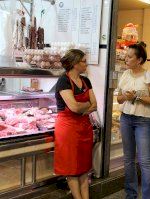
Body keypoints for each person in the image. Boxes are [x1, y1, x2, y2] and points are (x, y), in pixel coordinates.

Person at [117, 42, 150, 199]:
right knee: (128, 159)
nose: (126, 59)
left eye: (129, 56)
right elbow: (119, 99)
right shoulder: (125, 74)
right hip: (126, 119)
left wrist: (137, 97)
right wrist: (126, 97)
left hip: (143, 121)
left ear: (139, 59)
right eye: (126, 56)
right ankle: (131, 194)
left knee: (145, 161)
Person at [54, 49, 97, 199]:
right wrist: (86, 105)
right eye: (84, 61)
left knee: (84, 168)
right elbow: (74, 107)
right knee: (72, 169)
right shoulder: (63, 81)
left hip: (84, 127)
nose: (87, 64)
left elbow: (95, 105)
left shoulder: (86, 80)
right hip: (68, 129)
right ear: (74, 64)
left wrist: (82, 106)